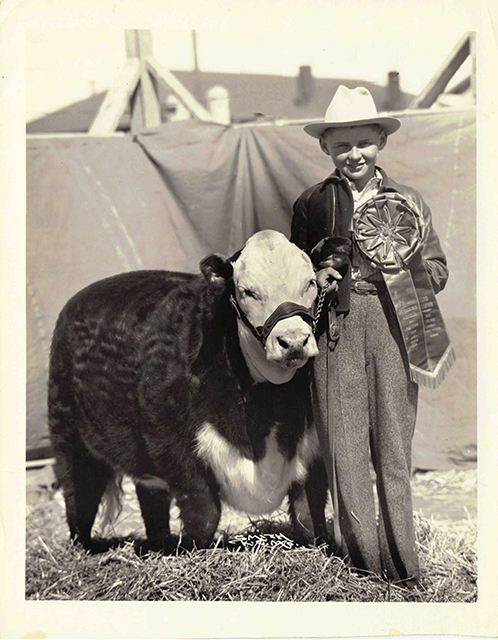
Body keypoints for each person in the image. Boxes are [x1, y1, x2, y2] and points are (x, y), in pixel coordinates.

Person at [291, 85, 454, 583]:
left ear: (381, 140)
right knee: (345, 448)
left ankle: (405, 568)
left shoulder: (409, 201)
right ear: (325, 147)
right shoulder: (311, 204)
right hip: (336, 331)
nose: (353, 154)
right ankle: (364, 566)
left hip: (394, 325)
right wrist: (314, 279)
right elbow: (294, 271)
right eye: (342, 145)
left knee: (393, 445)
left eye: (363, 142)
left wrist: (400, 271)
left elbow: (439, 269)